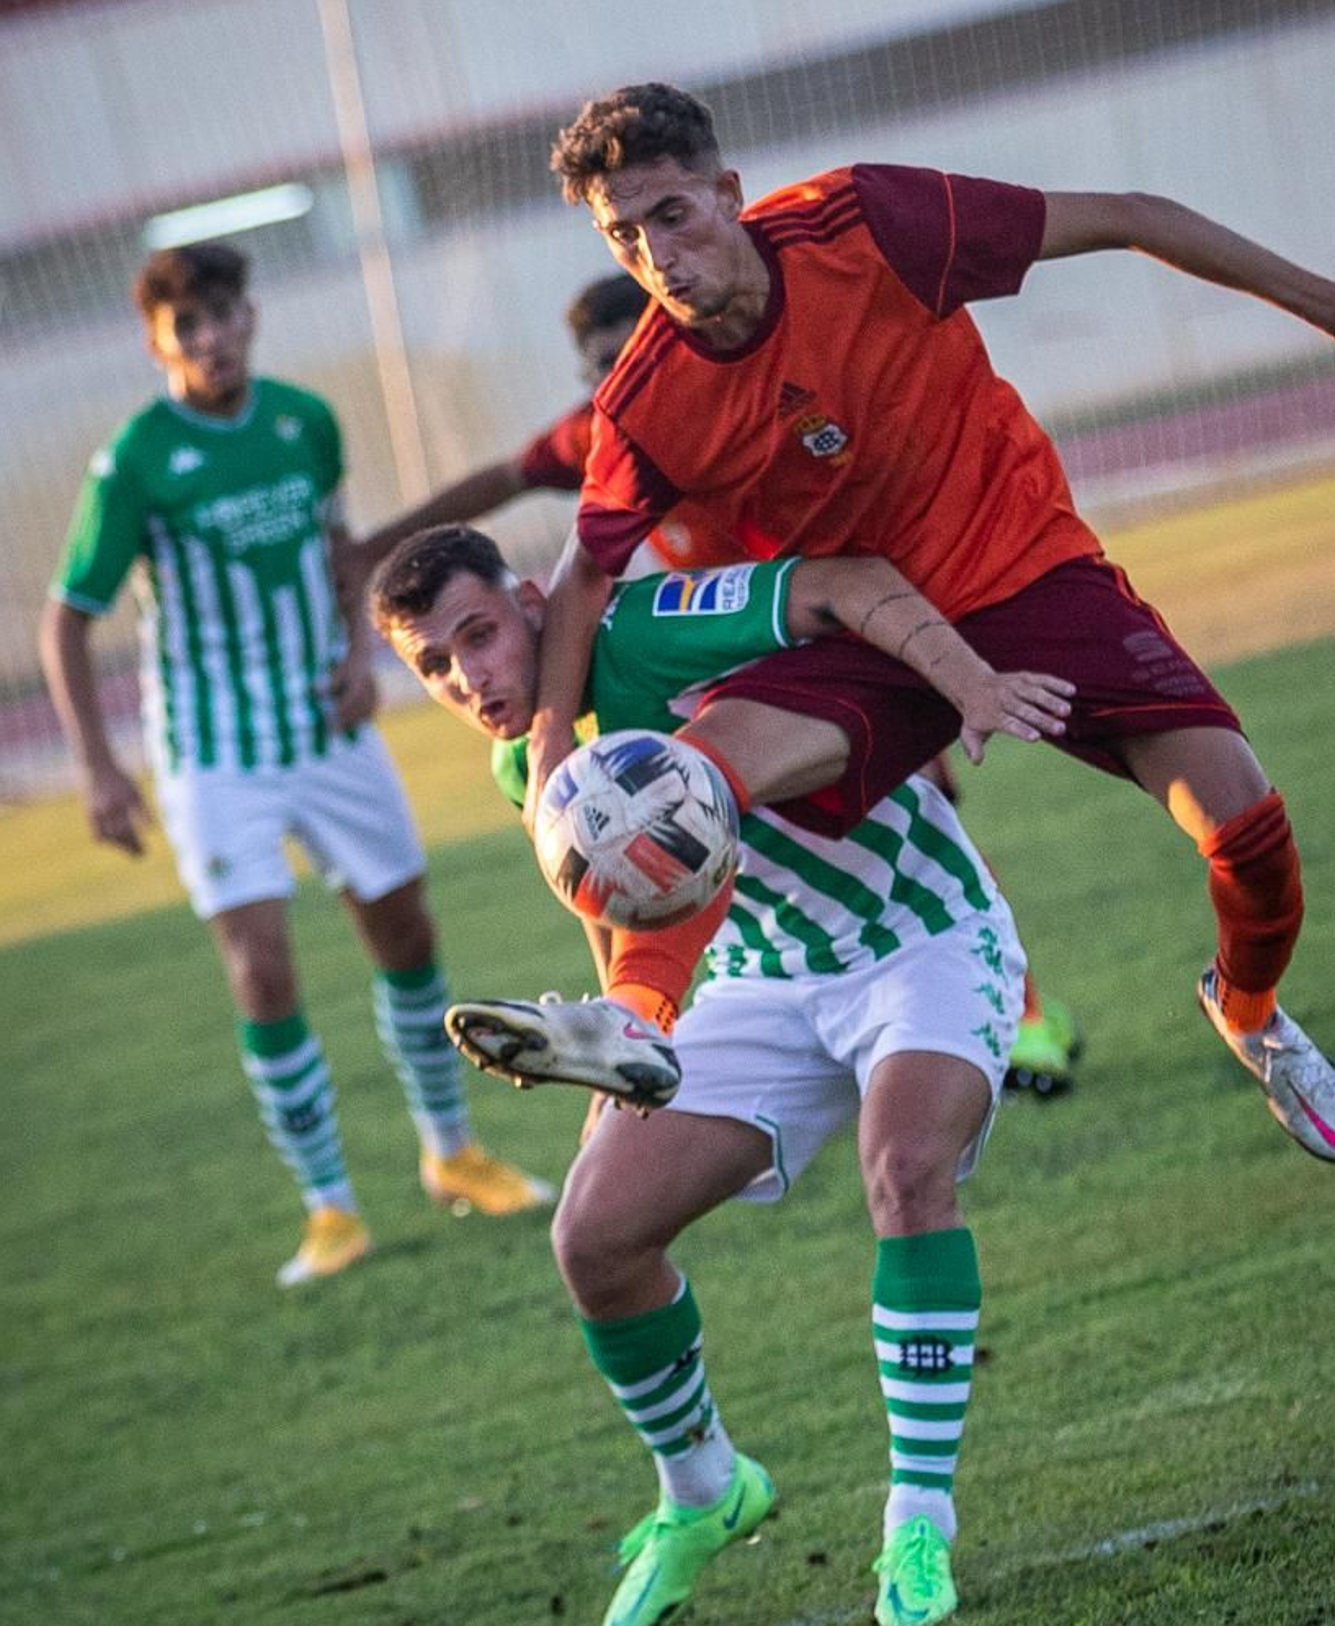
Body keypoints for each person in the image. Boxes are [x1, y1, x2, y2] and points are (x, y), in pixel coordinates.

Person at [458, 82, 1335, 1166]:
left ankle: (1250, 1009)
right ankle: (636, 1021)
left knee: (1246, 830)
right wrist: (552, 755)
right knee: (690, 783)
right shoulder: (644, 400)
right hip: (859, 633)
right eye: (623, 236)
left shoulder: (864, 225)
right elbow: (580, 579)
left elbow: (1132, 213)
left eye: (671, 215)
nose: (655, 255)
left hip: (1030, 574)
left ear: (728, 194)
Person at [371, 522, 1030, 1626]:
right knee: (591, 1235)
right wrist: (614, 1062)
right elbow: (618, 917)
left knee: (905, 1169)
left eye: (477, 635)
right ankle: (704, 1487)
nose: (465, 675)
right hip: (755, 986)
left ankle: (917, 1517)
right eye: (432, 665)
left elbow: (836, 585)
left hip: (920, 936)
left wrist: (959, 680)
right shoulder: (522, 768)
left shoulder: (649, 627)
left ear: (534, 601)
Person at [349, 267, 1082, 1094]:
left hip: (813, 625)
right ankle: (649, 1023)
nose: (618, 376)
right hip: (730, 644)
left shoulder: (735, 399)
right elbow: (508, 476)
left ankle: (1020, 1017)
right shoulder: (608, 435)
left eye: (629, 352)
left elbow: (841, 547)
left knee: (917, 827)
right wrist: (369, 547)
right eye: (598, 366)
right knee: (677, 828)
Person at [38, 241, 553, 1289]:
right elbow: (67, 619)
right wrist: (99, 769)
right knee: (261, 966)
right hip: (215, 753)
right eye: (189, 327)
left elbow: (338, 554)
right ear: (157, 342)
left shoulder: (302, 422)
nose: (212, 339)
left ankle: (451, 1152)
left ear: (251, 319)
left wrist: (362, 658)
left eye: (224, 317)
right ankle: (329, 1208)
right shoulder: (136, 458)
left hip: (328, 727)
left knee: (406, 933)